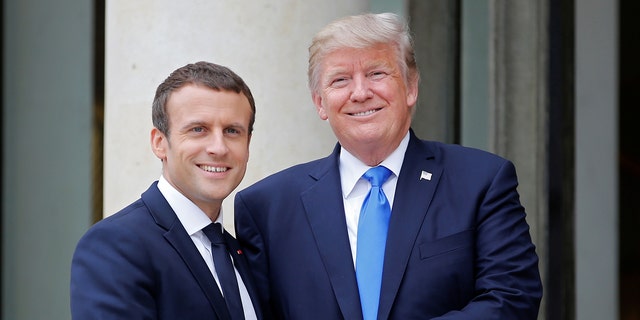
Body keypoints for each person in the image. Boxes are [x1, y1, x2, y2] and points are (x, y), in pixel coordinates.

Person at [234, 13, 542, 319]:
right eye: (340, 79)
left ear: (411, 87)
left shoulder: (481, 181)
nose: (360, 93)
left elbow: (512, 298)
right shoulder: (267, 207)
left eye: (376, 74)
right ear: (319, 102)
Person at [71, 61, 264, 320]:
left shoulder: (240, 250)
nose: (219, 148)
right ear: (160, 143)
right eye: (198, 129)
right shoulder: (115, 245)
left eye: (232, 131)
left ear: (248, 144)